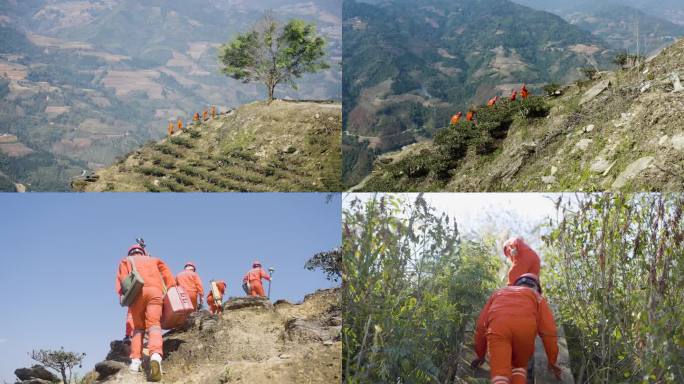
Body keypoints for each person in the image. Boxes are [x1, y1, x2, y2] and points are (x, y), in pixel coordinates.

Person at [472, 274, 562, 383]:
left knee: (500, 375)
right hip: (524, 331)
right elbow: (549, 331)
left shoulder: (498, 293)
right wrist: (553, 361)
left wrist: (479, 353)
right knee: (519, 366)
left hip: (498, 328)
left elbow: (482, 324)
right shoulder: (537, 296)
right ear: (536, 288)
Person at [116, 244, 175, 382]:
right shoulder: (153, 259)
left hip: (137, 294)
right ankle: (155, 356)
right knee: (154, 325)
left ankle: (135, 362)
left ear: (131, 252)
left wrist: (122, 297)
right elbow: (167, 274)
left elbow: (122, 282)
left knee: (138, 329)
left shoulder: (126, 260)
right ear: (142, 252)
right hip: (155, 292)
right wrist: (171, 287)